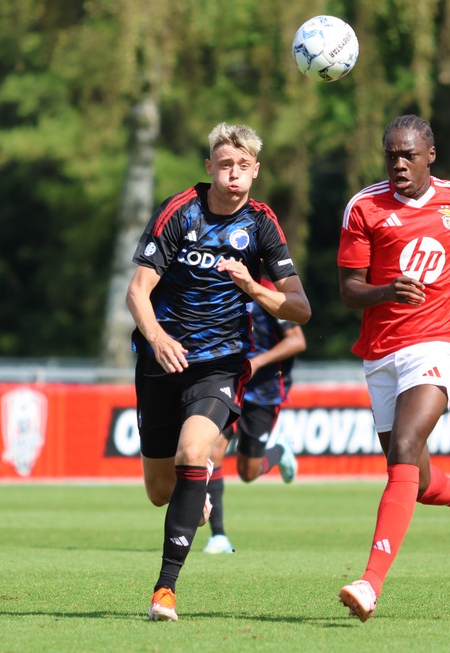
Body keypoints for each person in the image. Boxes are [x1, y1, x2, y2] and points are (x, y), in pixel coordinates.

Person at [126, 122, 311, 622]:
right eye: (225, 164)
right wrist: (159, 339)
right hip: (161, 363)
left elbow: (299, 309)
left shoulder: (262, 224)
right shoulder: (178, 210)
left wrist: (254, 286)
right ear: (210, 167)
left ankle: (164, 590)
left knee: (193, 452)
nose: (234, 174)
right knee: (159, 492)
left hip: (221, 364)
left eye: (244, 166)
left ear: (255, 171)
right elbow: (137, 292)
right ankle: (195, 491)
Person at [335, 115, 450, 622]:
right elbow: (348, 291)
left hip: (440, 341)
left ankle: (369, 583)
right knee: (412, 471)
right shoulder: (364, 207)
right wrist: (386, 290)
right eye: (391, 155)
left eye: (408, 155)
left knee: (407, 448)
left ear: (430, 155)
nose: (398, 164)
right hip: (382, 349)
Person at [201, 285, 307, 555]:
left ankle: (279, 450)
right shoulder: (219, 289)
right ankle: (219, 536)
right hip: (230, 384)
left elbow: (297, 341)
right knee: (213, 451)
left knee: (248, 473)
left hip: (265, 392)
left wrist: (258, 362)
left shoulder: (271, 293)